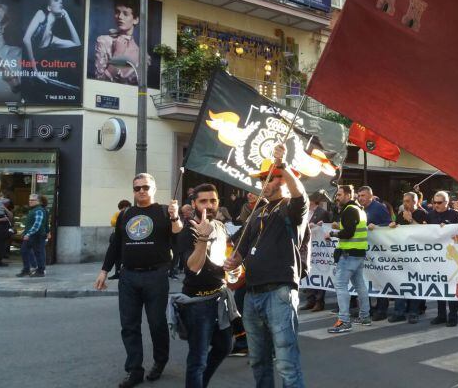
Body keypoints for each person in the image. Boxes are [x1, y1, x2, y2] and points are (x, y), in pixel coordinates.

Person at [223, 144, 308, 387]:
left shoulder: (292, 207)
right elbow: (240, 250)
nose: (264, 183)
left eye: (270, 177)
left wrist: (282, 165)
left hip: (279, 292)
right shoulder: (257, 212)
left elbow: (300, 192)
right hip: (252, 294)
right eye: (263, 179)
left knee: (286, 363)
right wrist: (232, 261)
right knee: (258, 361)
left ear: (284, 179)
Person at [94, 173, 182, 388]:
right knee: (129, 326)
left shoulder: (164, 211)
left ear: (153, 188)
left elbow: (178, 236)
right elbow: (115, 246)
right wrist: (104, 270)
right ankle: (134, 370)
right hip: (129, 276)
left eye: (145, 187)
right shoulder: (125, 215)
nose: (141, 191)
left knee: (156, 323)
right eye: (136, 188)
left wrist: (175, 217)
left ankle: (160, 361)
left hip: (156, 275)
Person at [174, 184, 236, 388]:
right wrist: (202, 238)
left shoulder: (220, 226)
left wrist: (233, 266)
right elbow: (193, 267)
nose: (209, 205)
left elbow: (224, 257)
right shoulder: (188, 230)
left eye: (213, 200)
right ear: (193, 203)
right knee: (197, 359)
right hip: (197, 304)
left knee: (224, 347)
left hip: (220, 298)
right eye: (203, 201)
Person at [325, 184, 371, 334]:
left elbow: (349, 233)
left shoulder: (349, 210)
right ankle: (365, 317)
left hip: (348, 254)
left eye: (339, 195)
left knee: (340, 285)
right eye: (337, 195)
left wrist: (332, 234)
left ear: (348, 195)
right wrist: (339, 227)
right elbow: (353, 229)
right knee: (359, 285)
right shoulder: (359, 210)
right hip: (358, 253)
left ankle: (344, 321)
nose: (337, 198)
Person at [22, 0, 81, 83]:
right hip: (20, 66)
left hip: (30, 72)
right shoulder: (40, 15)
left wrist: (67, 17)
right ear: (49, 7)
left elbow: (77, 43)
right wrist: (35, 71)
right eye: (56, 0)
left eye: (61, 0)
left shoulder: (53, 39)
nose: (61, 2)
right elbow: (26, 39)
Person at [388, 191, 428, 323]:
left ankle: (413, 312)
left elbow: (425, 234)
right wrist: (392, 227)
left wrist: (410, 220)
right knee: (400, 282)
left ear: (415, 202)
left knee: (414, 283)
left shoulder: (422, 214)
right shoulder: (400, 215)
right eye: (404, 201)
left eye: (408, 201)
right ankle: (399, 311)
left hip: (417, 256)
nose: (405, 203)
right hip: (402, 255)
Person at [356, 186, 392, 321]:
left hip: (379, 251)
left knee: (380, 279)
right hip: (367, 250)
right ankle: (370, 308)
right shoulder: (360, 209)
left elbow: (389, 225)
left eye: (363, 196)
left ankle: (382, 309)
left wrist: (377, 227)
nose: (360, 198)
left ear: (371, 196)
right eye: (359, 196)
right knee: (369, 279)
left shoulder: (379, 208)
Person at [427, 191, 458, 327]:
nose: (436, 205)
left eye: (439, 202)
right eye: (434, 202)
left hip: (452, 257)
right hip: (436, 257)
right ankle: (441, 315)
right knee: (439, 286)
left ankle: (453, 316)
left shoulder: (455, 215)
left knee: (451, 287)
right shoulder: (430, 215)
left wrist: (448, 229)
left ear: (447, 202)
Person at [94, 0, 146, 85]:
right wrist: (118, 54)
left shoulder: (141, 55)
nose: (120, 17)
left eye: (125, 14)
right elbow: (99, 82)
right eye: (117, 12)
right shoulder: (104, 41)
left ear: (136, 20)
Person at [301, 193, 332, 312]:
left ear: (313, 200)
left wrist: (319, 226)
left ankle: (319, 301)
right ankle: (310, 300)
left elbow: (327, 228)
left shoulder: (322, 213)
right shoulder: (304, 212)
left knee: (319, 273)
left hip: (319, 249)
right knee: (307, 273)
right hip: (306, 247)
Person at [16, 194, 49, 278]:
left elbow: (37, 225)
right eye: (29, 200)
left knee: (39, 253)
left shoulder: (39, 210)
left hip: (37, 236)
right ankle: (27, 270)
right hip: (31, 235)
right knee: (24, 251)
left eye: (32, 200)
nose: (30, 201)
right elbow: (32, 224)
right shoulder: (33, 210)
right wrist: (25, 231)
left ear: (38, 201)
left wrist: (28, 233)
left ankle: (40, 271)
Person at [108, 199, 133, 280]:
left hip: (127, 238)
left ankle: (126, 273)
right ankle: (117, 272)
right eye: (122, 207)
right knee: (116, 256)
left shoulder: (131, 214)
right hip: (117, 236)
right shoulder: (118, 214)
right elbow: (112, 222)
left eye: (126, 207)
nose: (124, 209)